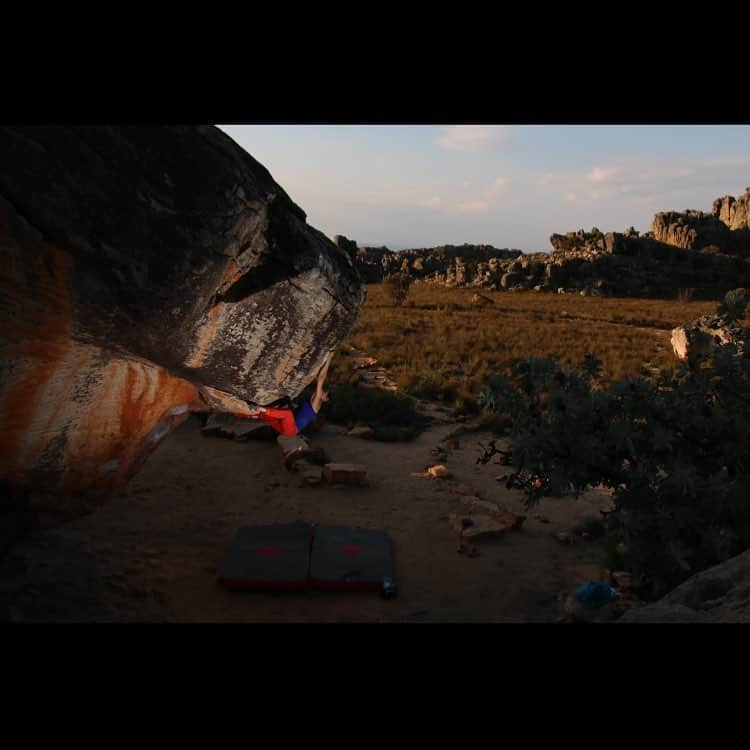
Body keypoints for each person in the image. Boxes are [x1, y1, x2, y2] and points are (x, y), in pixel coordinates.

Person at [234, 351, 333, 437]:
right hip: (284, 427)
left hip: (291, 430)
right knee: (267, 415)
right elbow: (319, 377)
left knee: (286, 413)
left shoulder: (317, 403)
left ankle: (260, 409)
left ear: (325, 399)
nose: (323, 392)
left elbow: (321, 378)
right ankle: (240, 413)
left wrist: (329, 359)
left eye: (325, 394)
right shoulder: (314, 401)